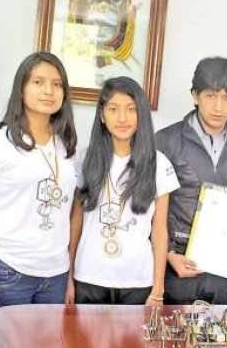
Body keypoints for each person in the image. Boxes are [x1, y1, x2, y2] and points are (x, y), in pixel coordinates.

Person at [0, 52, 77, 318]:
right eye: (38, 82)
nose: (48, 91)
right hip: (8, 270)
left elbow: (73, 211)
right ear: (21, 89)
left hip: (56, 274)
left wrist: (70, 274)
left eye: (57, 83)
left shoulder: (67, 145)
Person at [67, 77, 178, 306]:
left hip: (138, 283)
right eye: (113, 109)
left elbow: (159, 231)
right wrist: (68, 278)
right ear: (101, 115)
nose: (122, 118)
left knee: (134, 344)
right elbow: (75, 222)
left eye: (131, 109)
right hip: (88, 278)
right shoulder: (85, 159)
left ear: (142, 115)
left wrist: (158, 290)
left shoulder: (158, 163)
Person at [156, 57, 227, 305]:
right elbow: (149, 207)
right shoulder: (166, 141)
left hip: (222, 269)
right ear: (195, 95)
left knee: (217, 341)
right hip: (176, 264)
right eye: (211, 96)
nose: (218, 106)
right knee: (172, 340)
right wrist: (168, 254)